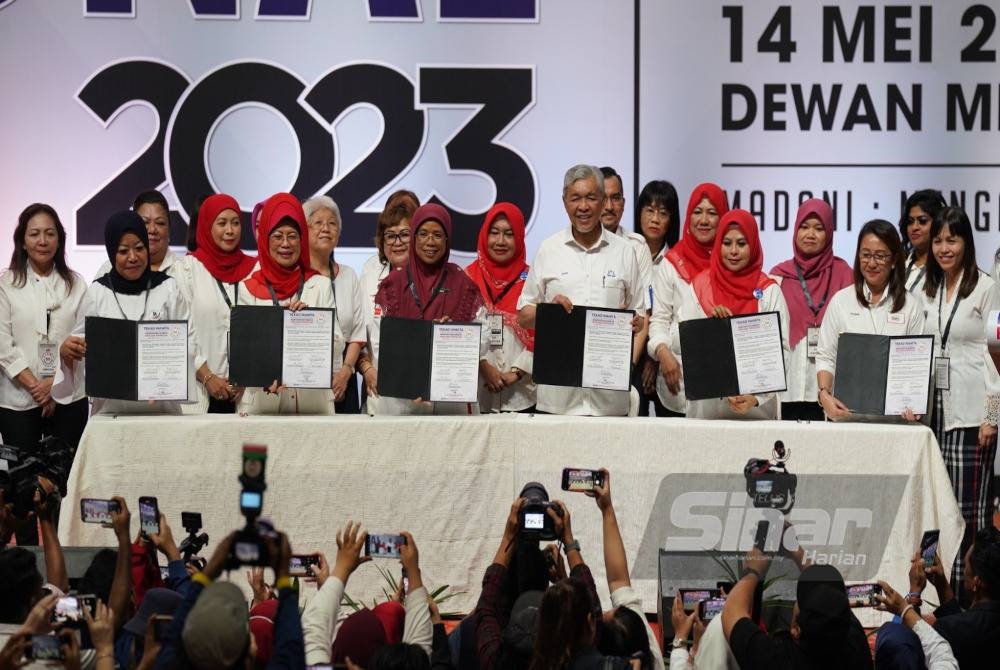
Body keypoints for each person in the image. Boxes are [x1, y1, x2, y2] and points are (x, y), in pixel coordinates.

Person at [918, 207, 1000, 602]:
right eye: (938, 240)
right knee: (939, 509)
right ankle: (942, 594)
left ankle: (978, 595)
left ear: (966, 242)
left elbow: (997, 356)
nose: (943, 248)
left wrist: (991, 416)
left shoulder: (986, 287)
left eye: (952, 239)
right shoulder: (926, 288)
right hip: (933, 412)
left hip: (972, 416)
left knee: (972, 513)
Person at [517, 164, 644, 416]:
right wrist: (548, 312)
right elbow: (523, 316)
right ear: (565, 202)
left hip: (609, 400)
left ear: (602, 201)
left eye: (591, 198)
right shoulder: (548, 249)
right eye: (575, 198)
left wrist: (635, 324)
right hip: (558, 400)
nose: (583, 206)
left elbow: (638, 314)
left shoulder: (624, 252)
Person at [54, 211, 203, 415]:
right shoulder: (98, 292)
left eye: (140, 248)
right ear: (111, 252)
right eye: (123, 251)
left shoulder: (168, 288)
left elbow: (188, 341)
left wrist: (166, 379)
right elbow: (80, 344)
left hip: (161, 408)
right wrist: (68, 351)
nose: (133, 257)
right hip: (111, 410)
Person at [0, 204, 88, 545]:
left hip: (68, 398)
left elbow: (83, 335)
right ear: (22, 240)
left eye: (50, 233)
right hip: (16, 400)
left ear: (60, 239)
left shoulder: (75, 284)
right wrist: (36, 387)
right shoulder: (7, 284)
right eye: (34, 233)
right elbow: (3, 343)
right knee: (21, 489)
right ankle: (26, 560)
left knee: (62, 485)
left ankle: (66, 554)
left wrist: (56, 385)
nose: (42, 240)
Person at [671, 209, 790, 419]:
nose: (733, 251)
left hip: (756, 415)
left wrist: (756, 397)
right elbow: (675, 342)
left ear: (753, 246)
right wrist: (708, 328)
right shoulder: (699, 287)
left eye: (742, 244)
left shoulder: (769, 291)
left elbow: (782, 353)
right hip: (707, 414)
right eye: (727, 243)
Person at [236, 192, 343, 415]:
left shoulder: (320, 285)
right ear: (265, 239)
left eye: (293, 236)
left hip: (312, 405)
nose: (285, 244)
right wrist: (263, 375)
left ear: (302, 240)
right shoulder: (247, 288)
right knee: (260, 450)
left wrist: (310, 322)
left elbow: (338, 344)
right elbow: (243, 349)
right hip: (262, 404)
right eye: (277, 236)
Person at [372, 203, 484, 415]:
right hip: (402, 401)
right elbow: (382, 343)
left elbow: (481, 340)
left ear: (447, 240)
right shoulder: (392, 285)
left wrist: (455, 334)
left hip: (450, 400)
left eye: (438, 235)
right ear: (413, 238)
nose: (430, 242)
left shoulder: (463, 285)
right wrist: (414, 378)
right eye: (423, 234)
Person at [816, 219, 927, 420]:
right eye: (865, 255)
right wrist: (824, 395)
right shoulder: (841, 301)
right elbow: (826, 355)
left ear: (894, 260)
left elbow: (916, 366)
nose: (872, 263)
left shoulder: (911, 306)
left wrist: (914, 403)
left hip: (894, 421)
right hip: (845, 417)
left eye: (880, 256)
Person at [154, 529, 305, 669]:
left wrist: (205, 574)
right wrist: (283, 578)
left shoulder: (169, 661)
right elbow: (292, 644)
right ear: (248, 655)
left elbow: (175, 632)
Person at [649, 183, 729, 418]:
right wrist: (663, 354)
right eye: (697, 212)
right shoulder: (671, 263)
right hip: (677, 382)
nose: (703, 220)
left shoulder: (733, 264)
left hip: (723, 387)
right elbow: (659, 319)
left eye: (712, 213)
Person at [769, 199, 853, 421]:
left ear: (830, 234)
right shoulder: (777, 277)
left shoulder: (846, 276)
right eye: (804, 227)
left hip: (831, 394)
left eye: (819, 228)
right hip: (787, 388)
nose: (810, 234)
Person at [302, 522, 432, 666]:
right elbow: (418, 650)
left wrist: (342, 567)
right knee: (389, 612)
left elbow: (314, 629)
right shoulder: (417, 662)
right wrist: (412, 571)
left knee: (382, 616)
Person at [721, 554, 873, 669]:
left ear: (795, 630)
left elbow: (731, 612)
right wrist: (796, 550)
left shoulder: (775, 660)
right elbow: (830, 599)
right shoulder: (856, 645)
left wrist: (753, 571)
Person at [179, 193, 257, 414]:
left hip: (245, 395)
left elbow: (260, 330)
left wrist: (247, 375)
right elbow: (181, 331)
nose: (230, 231)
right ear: (206, 226)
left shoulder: (255, 270)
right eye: (221, 223)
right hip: (199, 390)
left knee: (249, 448)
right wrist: (207, 376)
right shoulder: (188, 270)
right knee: (201, 448)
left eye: (235, 223)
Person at [466, 202, 536, 413]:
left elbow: (544, 335)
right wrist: (484, 366)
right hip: (477, 393)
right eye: (494, 233)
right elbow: (459, 334)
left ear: (520, 238)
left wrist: (517, 372)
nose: (500, 241)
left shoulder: (533, 279)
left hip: (523, 396)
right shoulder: (466, 279)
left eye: (509, 234)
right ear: (484, 235)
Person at [897, 527, 1000, 669]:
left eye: (966, 567)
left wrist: (914, 594)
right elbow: (968, 624)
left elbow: (908, 652)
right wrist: (941, 584)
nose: (964, 572)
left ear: (976, 582)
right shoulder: (962, 627)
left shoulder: (948, 629)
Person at [303, 195, 366, 414]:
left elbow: (357, 333)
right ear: (305, 231)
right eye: (318, 223)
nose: (326, 228)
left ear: (338, 235)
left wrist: (345, 373)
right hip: (306, 380)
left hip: (344, 381)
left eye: (332, 223)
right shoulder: (296, 278)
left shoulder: (349, 276)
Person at [358, 192, 418, 409]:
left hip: (422, 398)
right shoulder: (369, 274)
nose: (398, 242)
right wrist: (367, 369)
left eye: (405, 234)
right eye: (390, 236)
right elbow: (357, 334)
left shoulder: (436, 279)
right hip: (380, 394)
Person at [633, 180, 680, 417]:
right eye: (649, 210)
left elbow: (669, 317)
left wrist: (654, 359)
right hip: (629, 353)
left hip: (665, 359)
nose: (654, 219)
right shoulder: (625, 252)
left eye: (663, 213)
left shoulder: (676, 262)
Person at [94, 190, 181, 280]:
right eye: (145, 222)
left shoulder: (187, 270)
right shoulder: (108, 270)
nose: (152, 230)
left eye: (160, 223)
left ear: (169, 228)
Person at [899, 189, 947, 294]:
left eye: (922, 221)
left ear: (938, 223)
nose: (914, 227)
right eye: (910, 222)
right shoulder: (899, 263)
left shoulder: (947, 267)